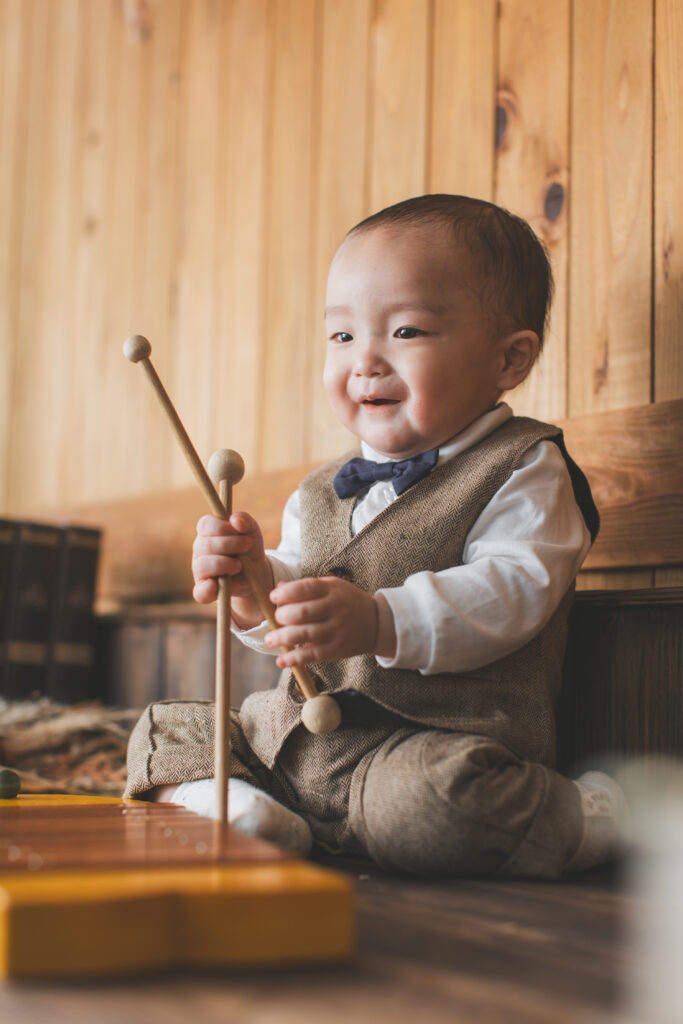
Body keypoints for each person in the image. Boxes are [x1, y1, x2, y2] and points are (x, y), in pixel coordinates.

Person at [125, 194, 628, 877]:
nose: (364, 362)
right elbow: (289, 609)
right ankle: (240, 807)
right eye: (342, 336)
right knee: (165, 726)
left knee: (436, 809)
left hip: (421, 747)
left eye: (407, 332)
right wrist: (251, 588)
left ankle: (589, 815)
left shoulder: (523, 466)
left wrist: (381, 619)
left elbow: (513, 591)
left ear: (508, 361)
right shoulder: (322, 488)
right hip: (297, 749)